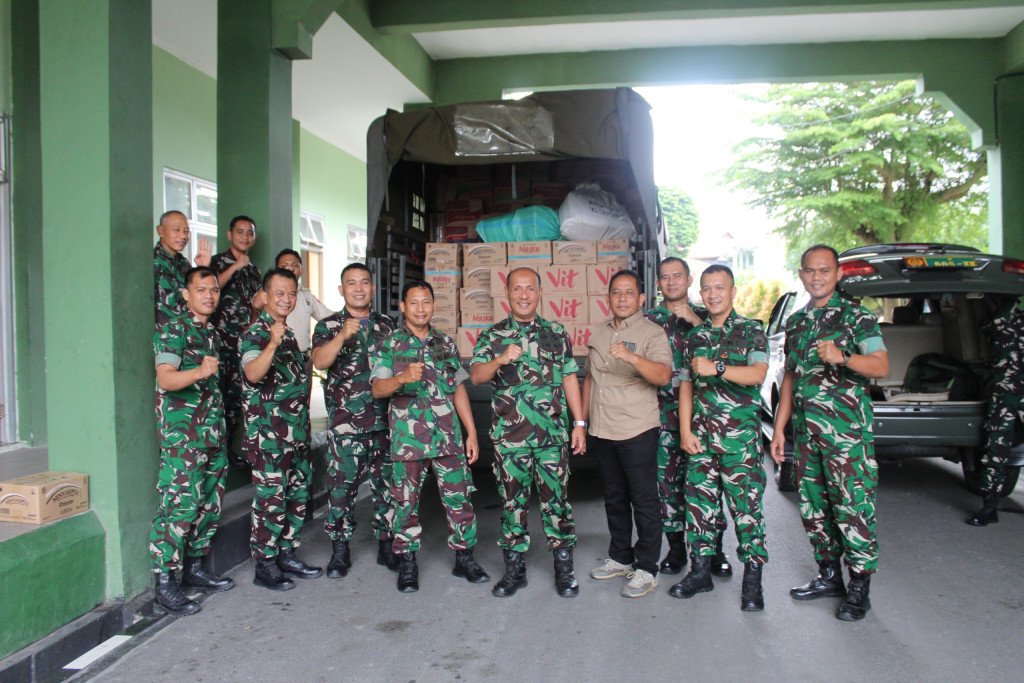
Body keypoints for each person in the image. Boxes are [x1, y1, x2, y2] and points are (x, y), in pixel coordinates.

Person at [770, 244, 889, 622]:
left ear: (838, 274)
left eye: (824, 270)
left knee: (852, 509)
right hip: (807, 437)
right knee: (814, 509)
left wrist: (845, 357)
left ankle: (859, 588)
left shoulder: (858, 318)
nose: (817, 277)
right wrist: (779, 429)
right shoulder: (799, 321)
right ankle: (828, 576)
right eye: (810, 270)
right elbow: (789, 375)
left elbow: (881, 366)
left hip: (847, 439)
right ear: (802, 275)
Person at [470, 267, 587, 598]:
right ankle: (514, 572)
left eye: (529, 289)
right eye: (517, 289)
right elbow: (477, 376)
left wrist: (579, 423)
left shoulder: (555, 332)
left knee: (558, 504)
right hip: (511, 441)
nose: (523, 295)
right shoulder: (492, 336)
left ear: (539, 293)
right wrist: (501, 358)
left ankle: (564, 571)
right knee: (512, 505)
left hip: (552, 439)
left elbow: (569, 377)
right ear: (507, 294)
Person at [370, 280, 489, 593]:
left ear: (434, 305)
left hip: (447, 437)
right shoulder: (390, 344)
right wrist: (401, 378)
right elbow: (377, 389)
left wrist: (472, 431)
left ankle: (465, 558)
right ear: (403, 307)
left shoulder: (444, 343)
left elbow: (458, 387)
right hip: (408, 441)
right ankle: (407, 562)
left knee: (459, 499)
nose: (420, 308)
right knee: (405, 503)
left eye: (426, 302)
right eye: (414, 302)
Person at [671, 264, 770, 611]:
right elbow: (685, 385)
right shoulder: (695, 338)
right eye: (707, 289)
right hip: (700, 440)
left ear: (732, 291)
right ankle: (700, 573)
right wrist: (685, 431)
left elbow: (758, 373)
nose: (713, 295)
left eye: (720, 288)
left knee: (746, 511)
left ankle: (752, 583)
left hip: (739, 443)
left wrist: (719, 368)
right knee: (699, 509)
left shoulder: (751, 331)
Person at [583, 269, 673, 598]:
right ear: (608, 298)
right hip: (604, 429)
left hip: (637, 429)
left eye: (629, 292)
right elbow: (590, 379)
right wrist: (582, 423)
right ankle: (621, 557)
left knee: (644, 501)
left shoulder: (652, 333)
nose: (622, 298)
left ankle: (647, 567)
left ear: (641, 298)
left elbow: (663, 375)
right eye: (616, 292)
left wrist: (632, 356)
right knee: (615, 499)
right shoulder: (599, 332)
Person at [149, 267, 233, 616]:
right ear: (186, 295)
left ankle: (195, 569)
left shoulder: (211, 332)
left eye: (213, 289)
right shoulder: (173, 330)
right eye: (201, 290)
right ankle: (166, 583)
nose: (209, 295)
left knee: (209, 505)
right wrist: (199, 371)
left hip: (212, 435)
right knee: (179, 508)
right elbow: (166, 379)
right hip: (183, 439)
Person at [644, 257, 732, 578]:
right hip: (662, 417)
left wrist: (695, 320)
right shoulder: (648, 320)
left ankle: (716, 551)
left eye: (677, 276)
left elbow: (724, 358)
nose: (671, 282)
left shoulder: (709, 315)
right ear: (658, 284)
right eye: (664, 277)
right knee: (667, 487)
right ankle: (677, 549)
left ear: (689, 279)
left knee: (708, 487)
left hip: (706, 418)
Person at [311, 263, 399, 578]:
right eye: (352, 283)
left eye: (364, 283)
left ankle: (387, 545)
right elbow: (320, 361)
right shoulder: (327, 325)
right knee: (340, 489)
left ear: (373, 289)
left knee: (387, 487)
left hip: (384, 422)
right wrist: (342, 335)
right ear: (341, 290)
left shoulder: (388, 324)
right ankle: (340, 550)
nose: (359, 288)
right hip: (346, 424)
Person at [240, 268, 322, 591]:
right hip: (269, 438)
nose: (286, 299)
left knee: (298, 496)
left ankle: (287, 553)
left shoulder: (287, 334)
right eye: (279, 294)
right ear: (265, 297)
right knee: (270, 500)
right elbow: (252, 374)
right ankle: (265, 564)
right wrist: (271, 344)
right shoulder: (256, 335)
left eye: (291, 294)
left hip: (296, 435)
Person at [966, 298, 1024, 526]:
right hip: (1005, 394)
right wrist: (1011, 296)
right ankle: (989, 507)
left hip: (1007, 394)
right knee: (995, 452)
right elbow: (991, 324)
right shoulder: (1006, 321)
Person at [210, 215, 262, 458]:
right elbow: (209, 290)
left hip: (243, 347)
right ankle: (214, 453)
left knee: (236, 404)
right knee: (215, 400)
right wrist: (234, 267)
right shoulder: (216, 262)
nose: (245, 236)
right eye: (240, 232)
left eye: (249, 233)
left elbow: (255, 306)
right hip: (220, 345)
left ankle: (228, 452)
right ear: (230, 235)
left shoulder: (254, 271)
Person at [266, 248, 333, 355]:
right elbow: (255, 305)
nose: (290, 269)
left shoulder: (307, 295)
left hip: (303, 356)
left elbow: (328, 317)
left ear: (301, 270)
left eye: (294, 265)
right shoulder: (267, 292)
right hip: (278, 356)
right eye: (284, 266)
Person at [153, 209, 210, 332]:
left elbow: (199, 295)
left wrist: (203, 268)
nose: (183, 236)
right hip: (165, 337)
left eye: (186, 231)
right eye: (176, 230)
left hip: (187, 333)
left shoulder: (182, 262)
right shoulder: (152, 261)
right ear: (161, 231)